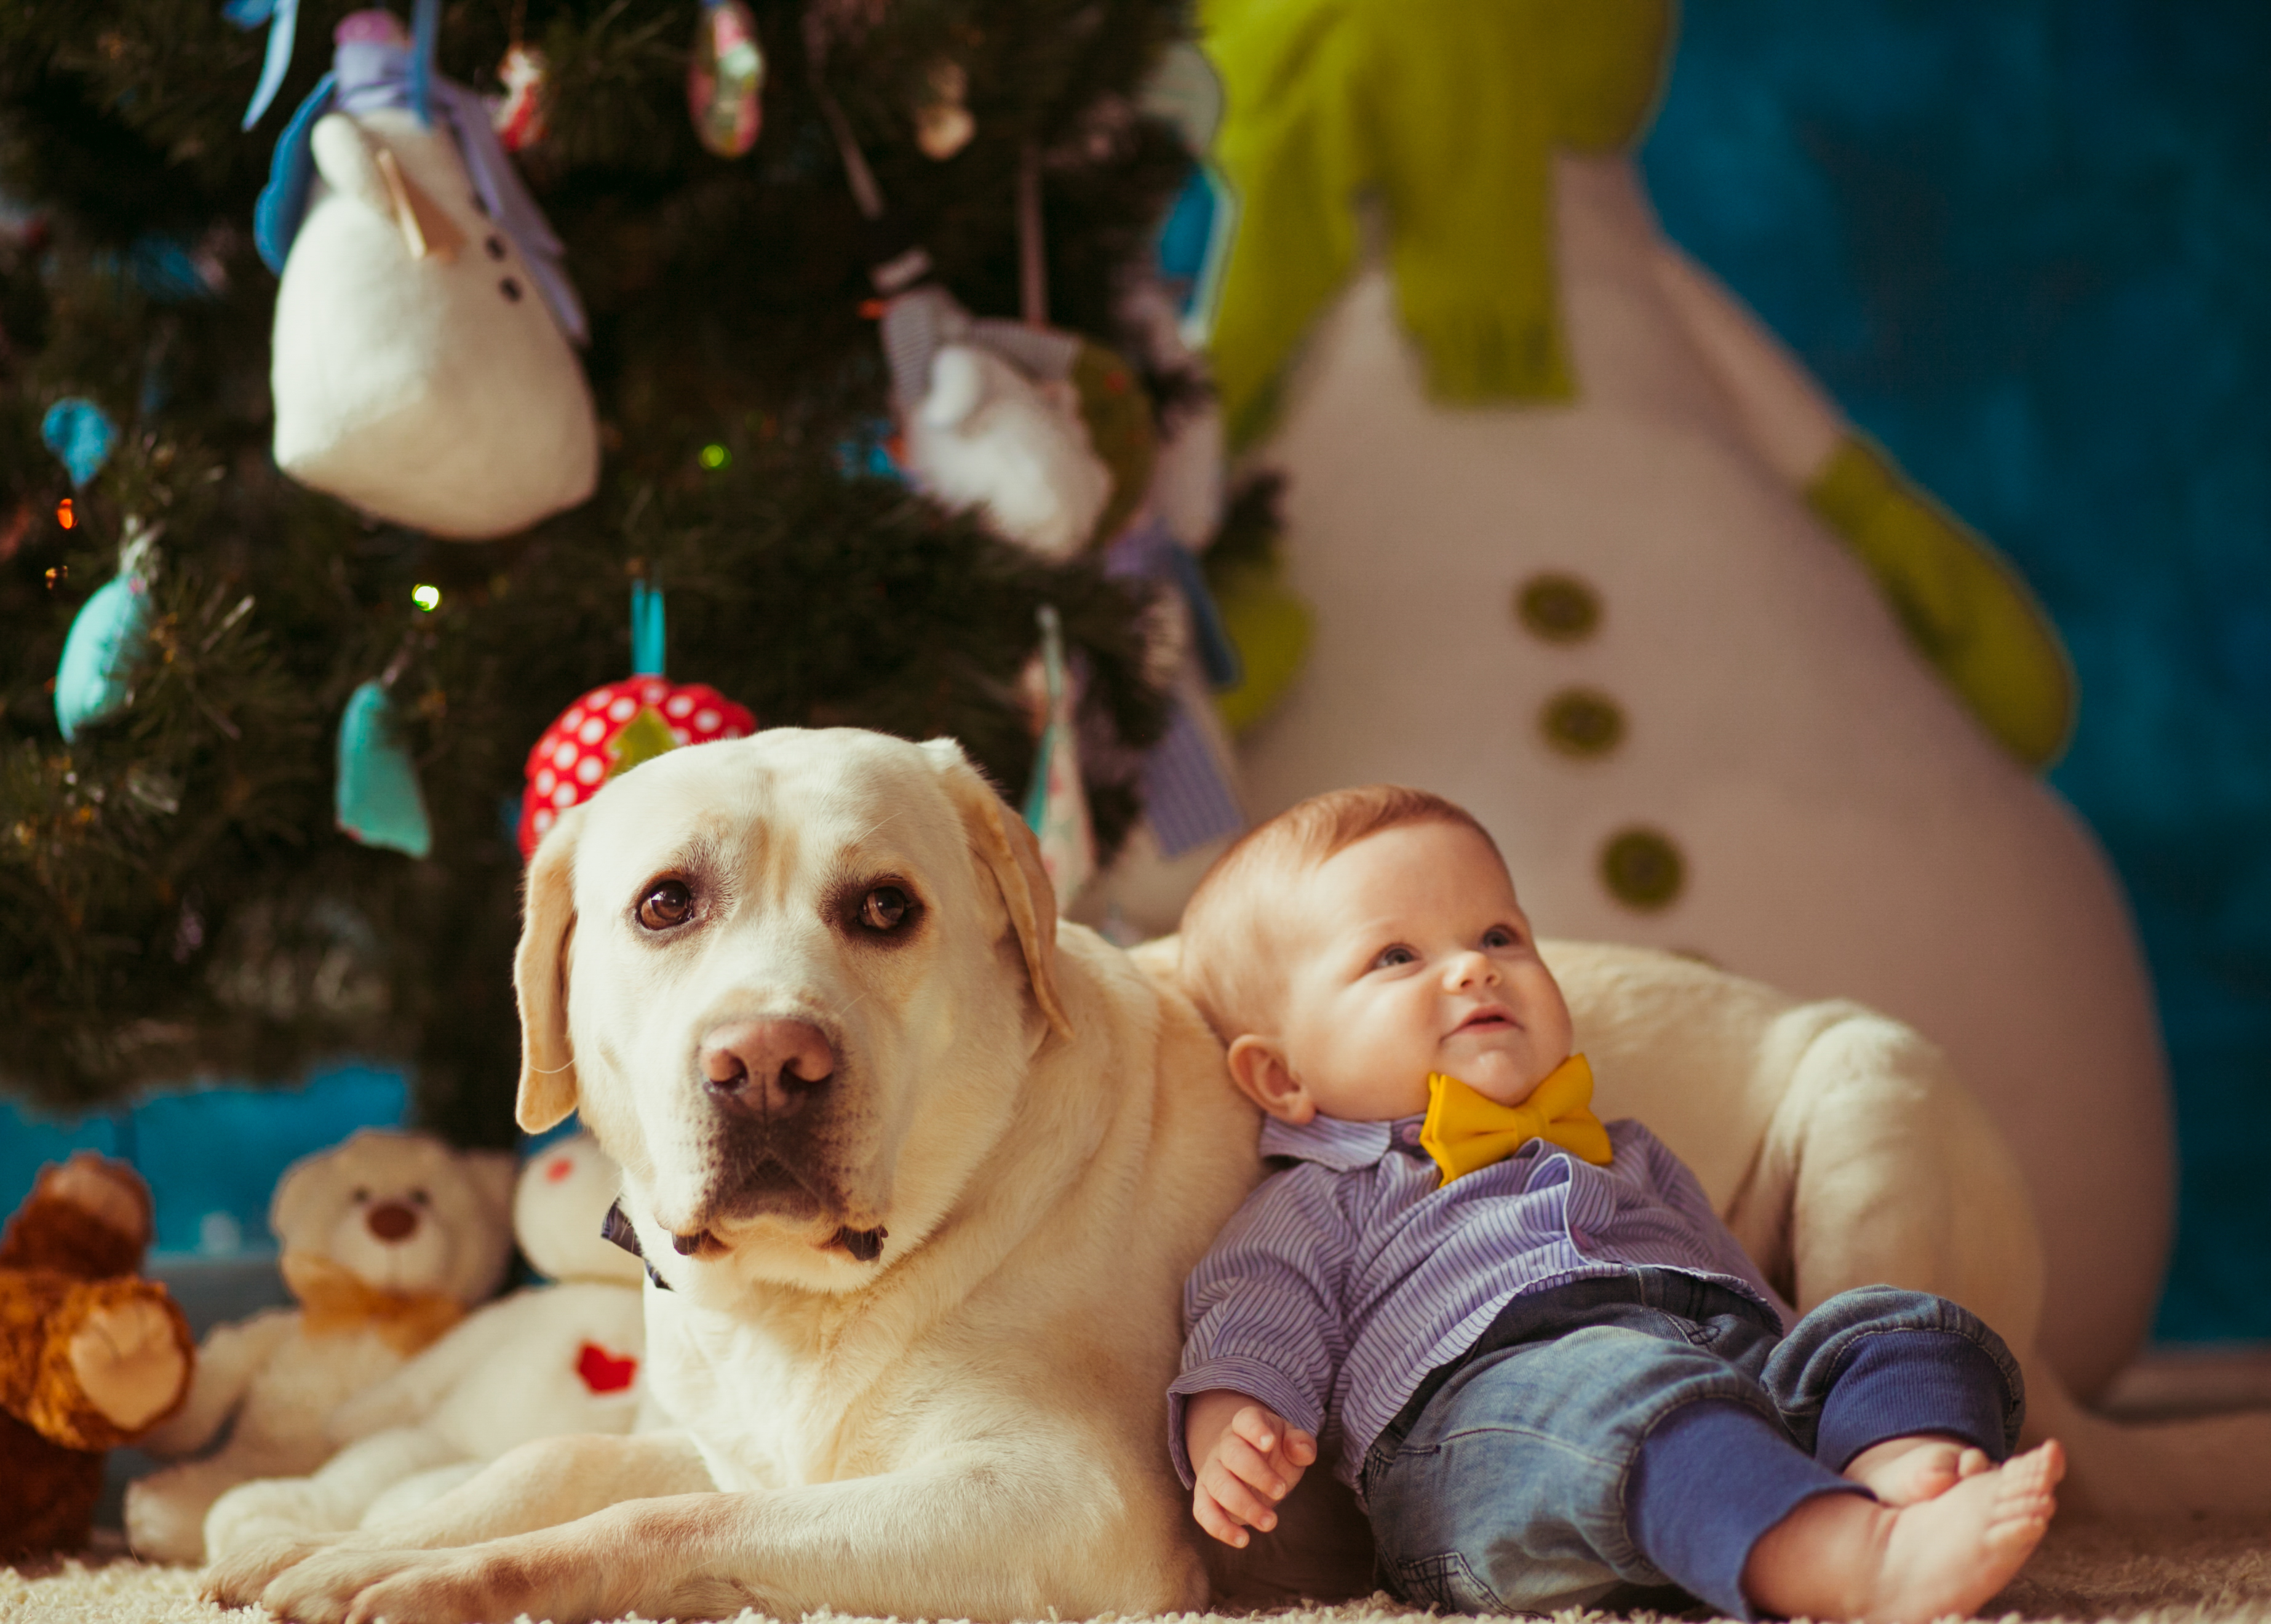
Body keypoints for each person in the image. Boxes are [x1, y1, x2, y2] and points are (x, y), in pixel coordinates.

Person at [1169, 785, 2063, 1623]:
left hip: (1715, 1381)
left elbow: (1742, 1292)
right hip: (1491, 1446)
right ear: (1281, 1075)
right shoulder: (1325, 1198)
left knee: (1891, 1322)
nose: (1474, 971)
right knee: (1623, 1391)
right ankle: (1858, 1559)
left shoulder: (1624, 1146)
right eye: (1397, 956)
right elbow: (1253, 1318)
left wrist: (1820, 1386)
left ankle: (1890, 1468)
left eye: (1499, 936)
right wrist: (1231, 1431)